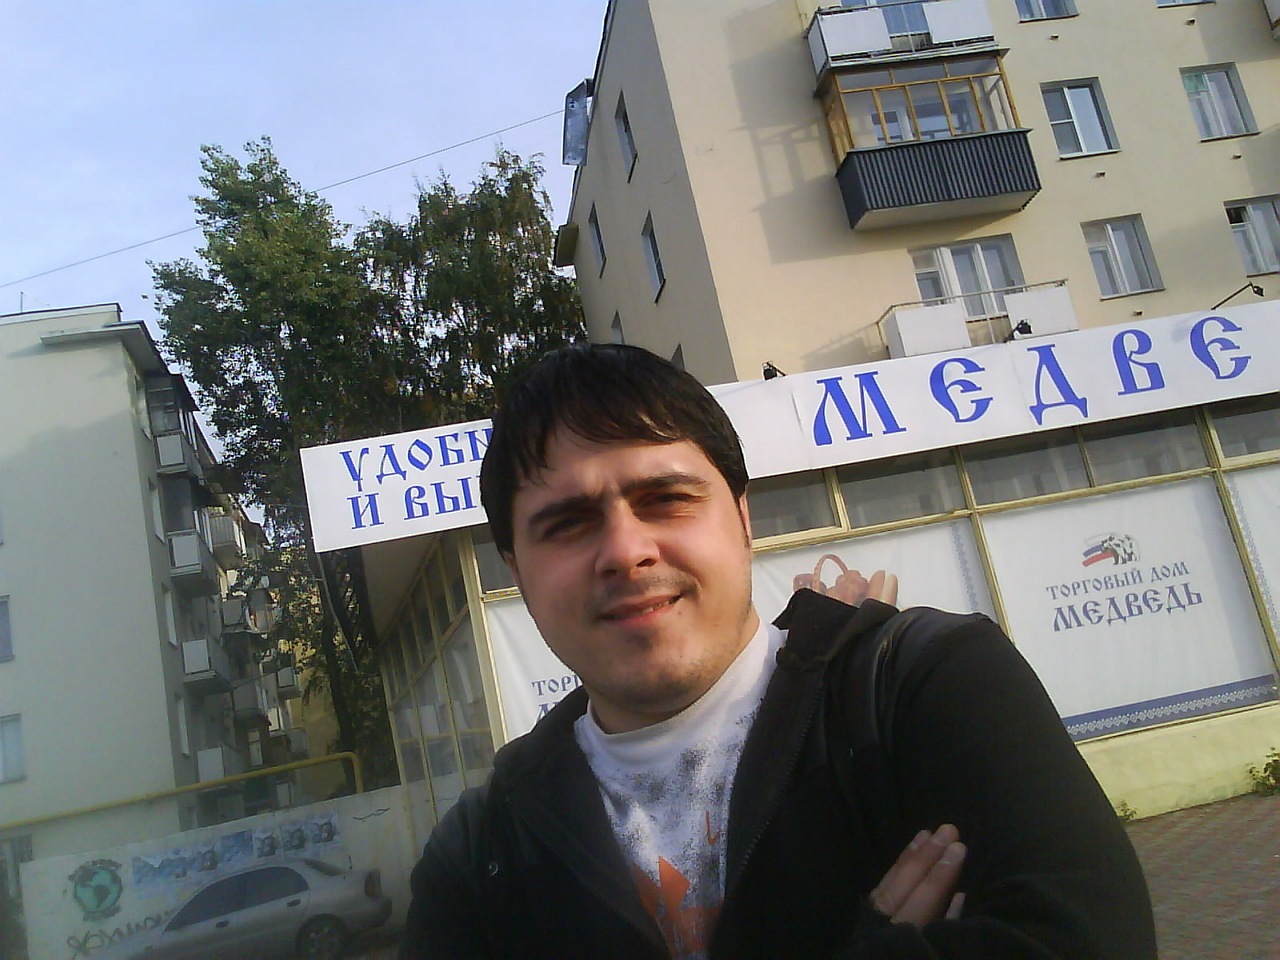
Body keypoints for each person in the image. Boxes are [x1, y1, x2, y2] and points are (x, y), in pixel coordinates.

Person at [399, 343, 1156, 959]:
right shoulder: (479, 855)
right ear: (517, 570)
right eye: (567, 523)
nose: (626, 551)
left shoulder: (927, 687)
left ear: (742, 518)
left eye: (666, 499)